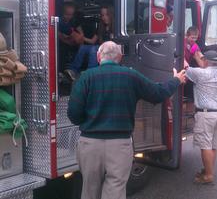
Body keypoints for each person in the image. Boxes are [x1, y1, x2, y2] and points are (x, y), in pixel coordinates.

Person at [67, 41, 186, 199]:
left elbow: (73, 114)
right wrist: (176, 80)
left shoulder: (85, 77)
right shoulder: (131, 76)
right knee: (115, 190)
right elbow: (158, 93)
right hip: (120, 145)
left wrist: (91, 121)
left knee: (89, 190)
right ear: (120, 57)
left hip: (90, 145)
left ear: (97, 57)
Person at [185, 50, 217, 184]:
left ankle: (208, 176)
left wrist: (181, 53)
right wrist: (200, 56)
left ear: (206, 61)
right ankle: (208, 170)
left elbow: (185, 67)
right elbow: (204, 66)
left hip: (206, 115)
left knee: (205, 146)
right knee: (213, 146)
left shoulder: (199, 73)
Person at [64, 6, 114, 81]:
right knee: (83, 47)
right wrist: (80, 37)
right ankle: (73, 71)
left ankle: (90, 73)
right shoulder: (101, 27)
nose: (104, 17)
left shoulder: (116, 26)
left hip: (111, 50)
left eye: (107, 15)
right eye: (102, 15)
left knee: (94, 49)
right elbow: (92, 41)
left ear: (111, 15)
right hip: (101, 47)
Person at [58, 2, 84, 72]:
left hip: (71, 47)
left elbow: (80, 37)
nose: (69, 17)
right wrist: (70, 39)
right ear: (62, 13)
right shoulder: (60, 23)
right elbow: (60, 37)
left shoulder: (73, 21)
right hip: (61, 47)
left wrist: (80, 36)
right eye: (67, 14)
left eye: (71, 15)